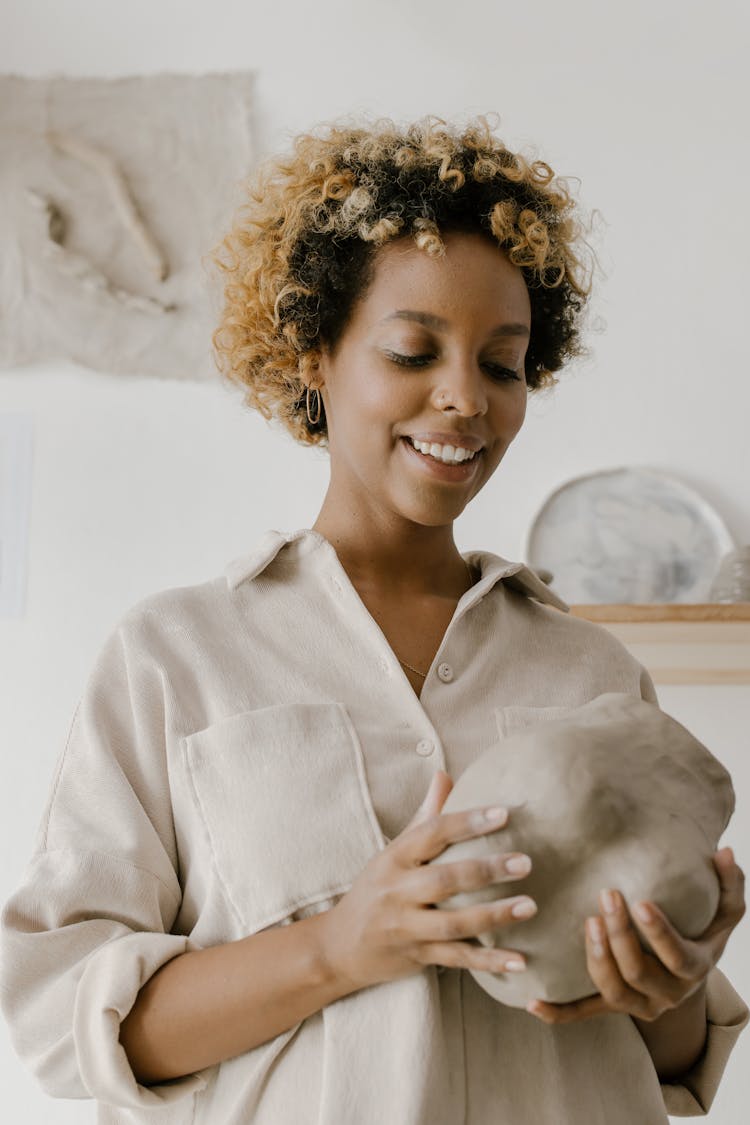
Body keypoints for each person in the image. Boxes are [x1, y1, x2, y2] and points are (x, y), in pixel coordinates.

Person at [1, 113, 747, 1125]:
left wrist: (669, 987)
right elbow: (62, 1022)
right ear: (314, 355)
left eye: (502, 364)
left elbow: (662, 1052)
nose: (464, 400)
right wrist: (341, 946)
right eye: (411, 350)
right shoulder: (173, 656)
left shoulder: (592, 674)